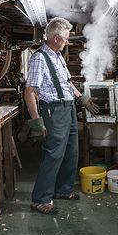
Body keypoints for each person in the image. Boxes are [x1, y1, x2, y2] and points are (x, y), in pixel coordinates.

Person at [24, 17, 99, 215]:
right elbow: (30, 91)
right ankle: (40, 199)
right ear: (56, 38)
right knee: (54, 154)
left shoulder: (58, 56)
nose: (67, 42)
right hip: (54, 110)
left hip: (69, 108)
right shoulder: (40, 58)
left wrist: (81, 98)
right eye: (66, 38)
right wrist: (36, 121)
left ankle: (62, 190)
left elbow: (66, 82)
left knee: (71, 151)